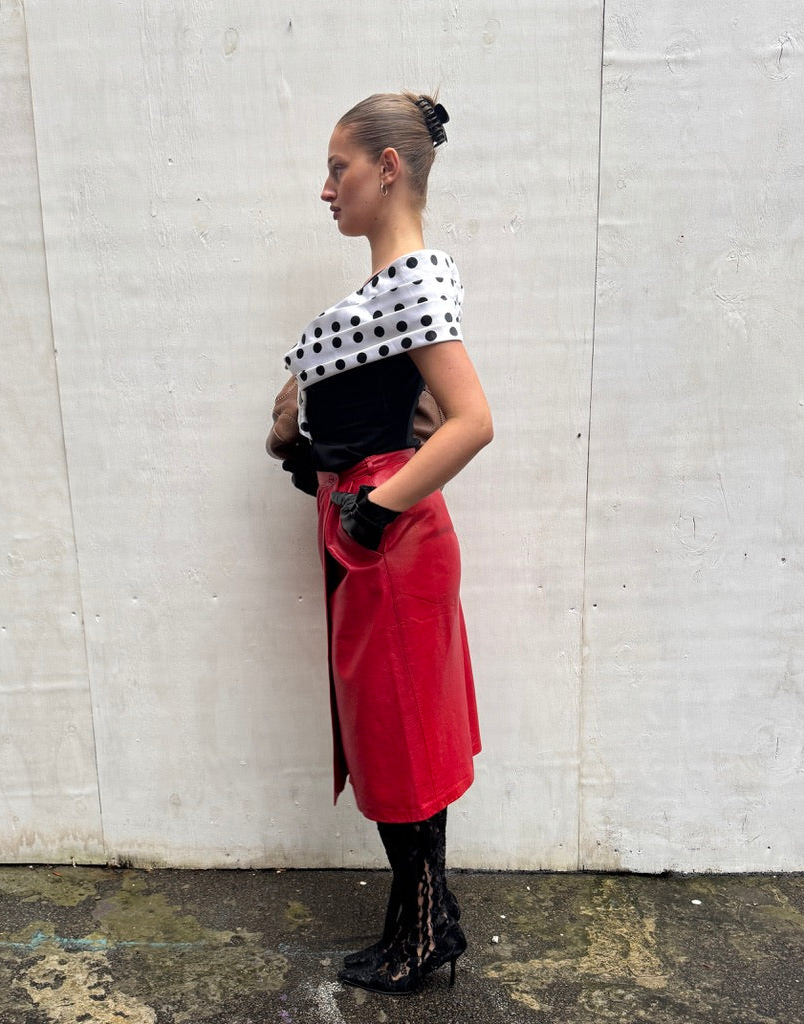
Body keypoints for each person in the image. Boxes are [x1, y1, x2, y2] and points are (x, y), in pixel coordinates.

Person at [279, 92, 493, 995]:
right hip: (377, 538)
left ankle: (424, 931)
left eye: (340, 168)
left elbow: (471, 420)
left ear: (388, 167)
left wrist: (372, 510)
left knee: (400, 738)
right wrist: (317, 459)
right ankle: (423, 919)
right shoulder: (389, 291)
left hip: (389, 544)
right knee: (396, 736)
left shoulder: (413, 281)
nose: (327, 188)